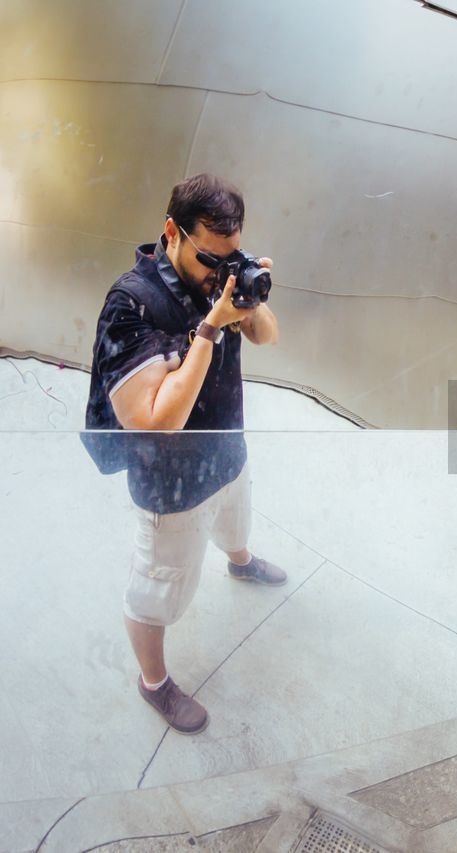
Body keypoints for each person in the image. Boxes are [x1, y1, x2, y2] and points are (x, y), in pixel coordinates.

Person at [86, 174, 285, 735]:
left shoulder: (217, 278)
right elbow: (155, 419)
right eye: (207, 257)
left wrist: (252, 295)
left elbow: (267, 336)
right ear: (171, 231)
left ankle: (240, 561)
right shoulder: (131, 304)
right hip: (169, 484)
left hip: (225, 452)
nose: (217, 270)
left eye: (228, 257)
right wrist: (210, 328)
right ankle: (154, 684)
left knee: (235, 520)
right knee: (157, 589)